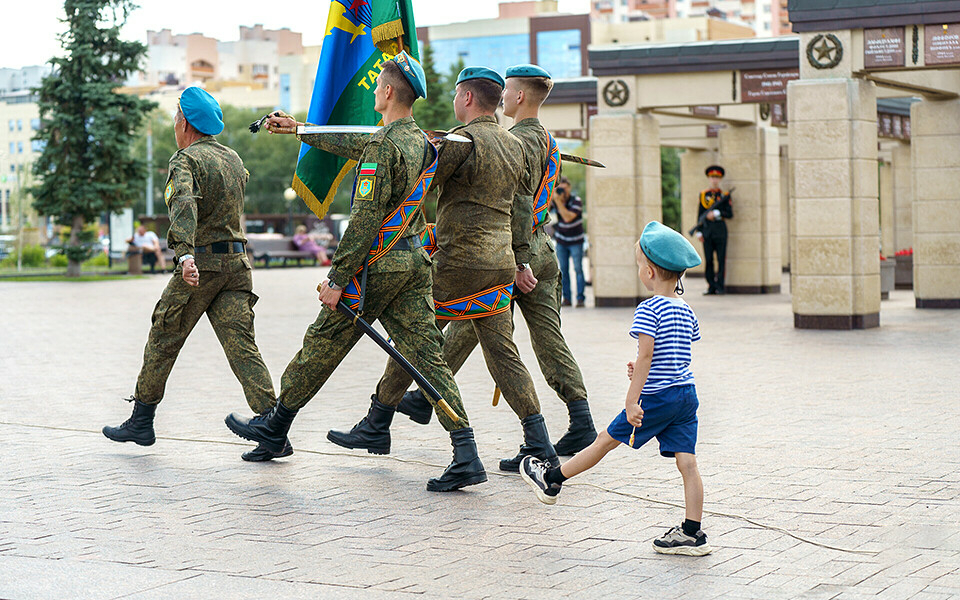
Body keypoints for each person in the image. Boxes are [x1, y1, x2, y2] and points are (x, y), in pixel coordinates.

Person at [223, 52, 486, 492]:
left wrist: (338, 279)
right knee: (428, 357)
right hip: (413, 264)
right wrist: (302, 131)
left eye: (378, 85)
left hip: (377, 268)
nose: (375, 92)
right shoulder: (421, 143)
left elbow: (363, 219)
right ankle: (466, 451)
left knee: (322, 343)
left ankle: (275, 426)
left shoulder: (383, 147)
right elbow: (359, 142)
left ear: (385, 92)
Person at [324, 65, 561, 474]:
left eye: (455, 95)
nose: (453, 102)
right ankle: (540, 442)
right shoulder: (514, 146)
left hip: (457, 262)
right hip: (499, 264)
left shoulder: (462, 143)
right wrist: (520, 259)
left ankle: (380, 420)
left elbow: (404, 162)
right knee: (503, 354)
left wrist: (313, 135)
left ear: (467, 99)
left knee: (415, 336)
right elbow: (523, 210)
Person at [392, 64, 597, 468]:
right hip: (541, 250)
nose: (502, 99)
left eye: (507, 94)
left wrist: (518, 258)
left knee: (475, 323)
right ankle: (580, 417)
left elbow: (518, 204)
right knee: (538, 339)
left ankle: (414, 397)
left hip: (511, 252)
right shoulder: (547, 140)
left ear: (519, 97)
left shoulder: (513, 138)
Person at [103, 87, 283, 462]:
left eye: (174, 118)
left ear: (184, 122)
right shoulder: (232, 158)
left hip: (201, 265)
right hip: (238, 266)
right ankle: (273, 428)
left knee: (164, 331)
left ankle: (141, 420)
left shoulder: (185, 159)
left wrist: (184, 254)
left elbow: (183, 203)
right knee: (241, 345)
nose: (174, 124)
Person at [520, 221, 712, 557]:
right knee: (688, 463)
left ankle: (552, 479)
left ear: (649, 272)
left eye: (639, 264)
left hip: (657, 398)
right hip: (685, 395)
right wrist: (640, 370)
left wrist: (632, 399)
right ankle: (692, 533)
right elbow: (677, 351)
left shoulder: (649, 309)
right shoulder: (686, 309)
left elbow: (648, 353)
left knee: (605, 440)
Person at [692, 165, 733, 295]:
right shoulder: (703, 195)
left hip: (720, 231)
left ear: (719, 179)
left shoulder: (724, 196)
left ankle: (720, 286)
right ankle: (711, 286)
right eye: (712, 177)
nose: (714, 180)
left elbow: (730, 214)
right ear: (709, 178)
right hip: (707, 232)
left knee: (721, 259)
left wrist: (717, 214)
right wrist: (698, 231)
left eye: (716, 177)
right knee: (708, 260)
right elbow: (700, 214)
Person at [553, 177, 586, 307]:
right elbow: (544, 211)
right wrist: (552, 197)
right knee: (563, 271)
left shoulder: (576, 201)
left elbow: (567, 218)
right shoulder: (556, 200)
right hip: (562, 240)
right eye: (559, 188)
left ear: (569, 188)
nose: (561, 192)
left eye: (564, 188)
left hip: (576, 241)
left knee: (578, 269)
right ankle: (567, 298)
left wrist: (558, 201)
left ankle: (580, 299)